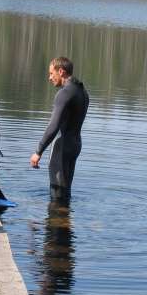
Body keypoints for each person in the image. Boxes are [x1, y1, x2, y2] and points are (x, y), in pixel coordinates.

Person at [30, 57, 89, 205]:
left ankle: (56, 224)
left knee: (57, 192)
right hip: (75, 145)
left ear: (61, 71)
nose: (50, 78)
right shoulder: (82, 91)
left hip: (62, 147)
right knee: (66, 191)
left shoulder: (64, 93)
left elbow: (53, 126)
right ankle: (65, 223)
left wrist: (38, 151)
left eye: (51, 73)